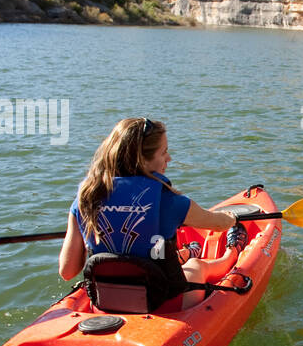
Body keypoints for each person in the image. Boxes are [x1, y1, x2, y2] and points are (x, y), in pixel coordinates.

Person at [58, 117, 245, 289]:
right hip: (162, 299)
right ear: (142, 161)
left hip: (106, 299)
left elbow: (67, 271)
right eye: (163, 153)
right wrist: (231, 218)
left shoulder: (85, 201)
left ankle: (184, 254)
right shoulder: (171, 202)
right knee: (196, 266)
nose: (169, 158)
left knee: (160, 248)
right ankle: (231, 254)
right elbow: (219, 224)